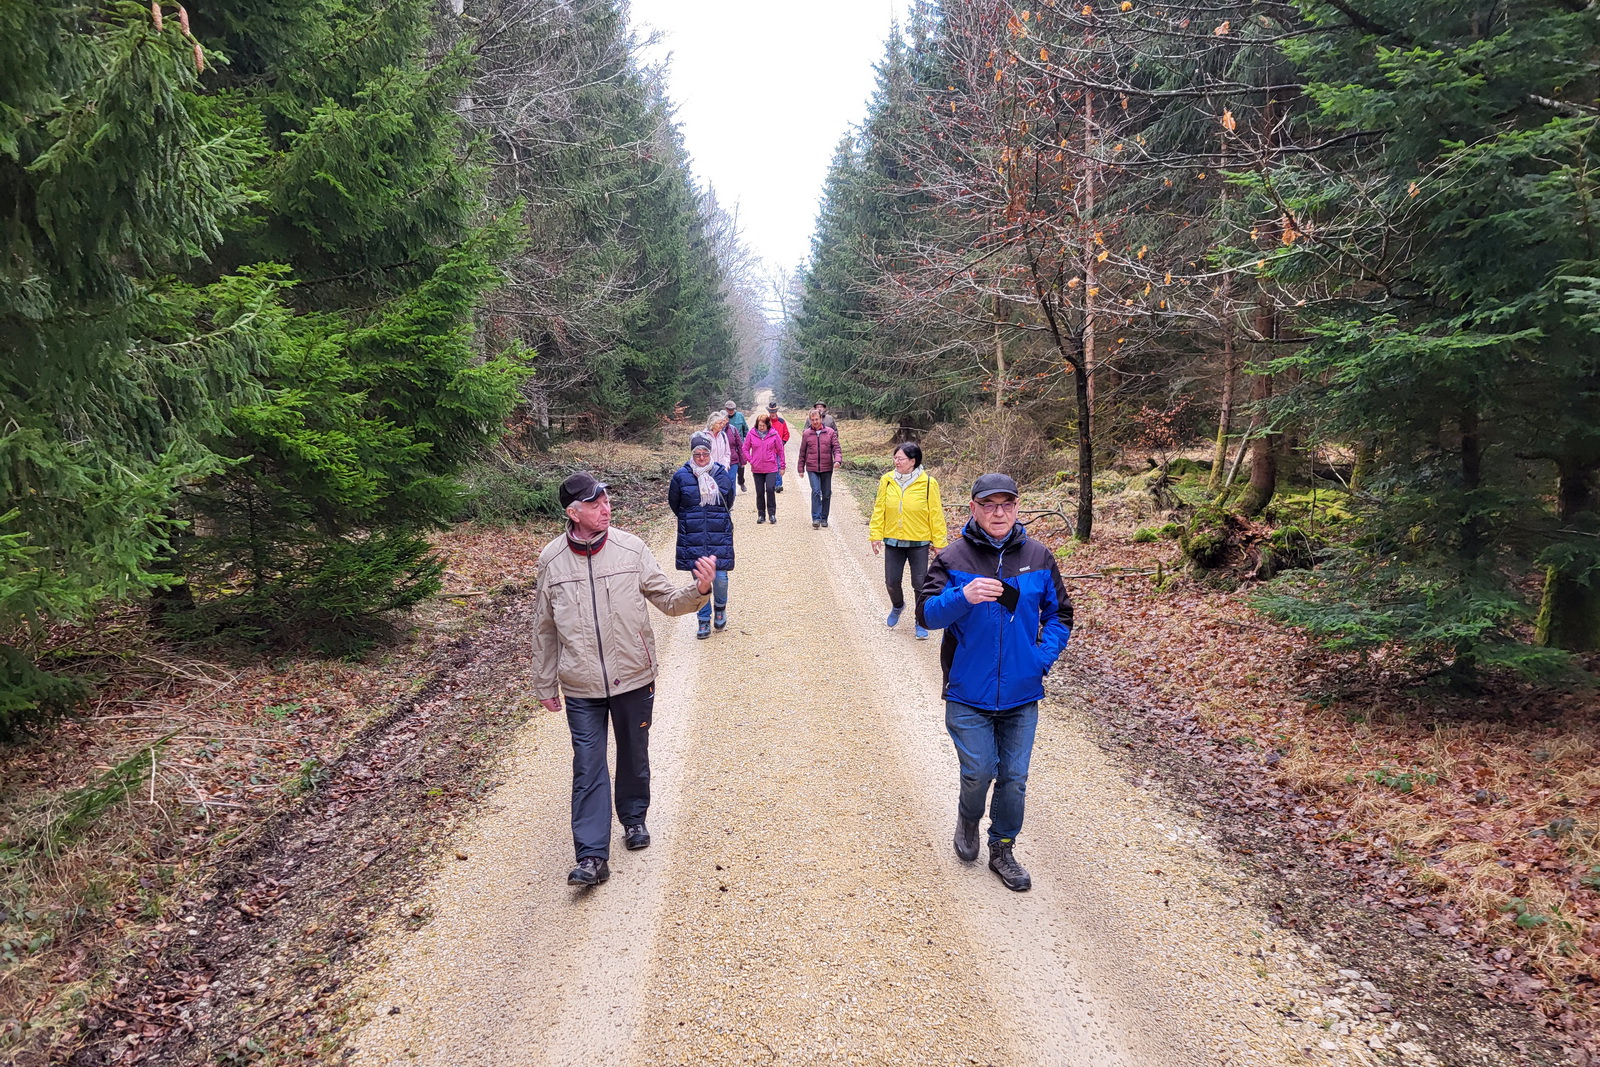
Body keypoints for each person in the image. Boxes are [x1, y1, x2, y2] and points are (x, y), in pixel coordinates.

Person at [532, 473, 716, 888]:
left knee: (634, 751)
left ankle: (634, 820)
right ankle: (592, 856)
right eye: (596, 504)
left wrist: (699, 589)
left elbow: (668, 601)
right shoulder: (552, 559)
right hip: (581, 685)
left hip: (633, 674)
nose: (606, 508)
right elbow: (544, 628)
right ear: (572, 512)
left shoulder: (631, 548)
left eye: (607, 501)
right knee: (588, 765)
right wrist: (545, 683)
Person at [918, 473, 1073, 893]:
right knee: (980, 771)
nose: (998, 512)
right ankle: (968, 819)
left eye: (1007, 504)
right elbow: (927, 615)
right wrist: (962, 597)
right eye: (989, 504)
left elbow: (1060, 615)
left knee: (1015, 778)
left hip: (1023, 693)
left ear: (1018, 507)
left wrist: (1039, 661)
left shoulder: (1039, 556)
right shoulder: (953, 558)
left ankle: (1002, 848)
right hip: (968, 692)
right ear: (973, 508)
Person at [869, 442, 947, 641]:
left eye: (900, 458)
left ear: (913, 461)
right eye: (895, 458)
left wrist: (940, 543)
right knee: (891, 581)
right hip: (893, 539)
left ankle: (920, 620)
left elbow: (936, 514)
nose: (896, 462)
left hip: (918, 540)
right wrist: (876, 534)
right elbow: (879, 509)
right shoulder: (887, 480)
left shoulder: (929, 483)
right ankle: (898, 605)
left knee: (920, 584)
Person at [669, 432, 736, 639]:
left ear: (710, 453)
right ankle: (703, 620)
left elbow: (729, 499)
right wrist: (690, 519)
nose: (700, 457)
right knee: (700, 579)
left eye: (704, 453)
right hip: (693, 534)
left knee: (721, 577)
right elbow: (675, 503)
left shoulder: (720, 474)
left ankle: (720, 607)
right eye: (696, 453)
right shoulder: (681, 476)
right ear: (692, 454)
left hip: (718, 532)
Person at [795, 410, 842, 529]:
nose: (815, 422)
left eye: (817, 419)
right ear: (810, 420)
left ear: (821, 419)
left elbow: (836, 448)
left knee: (826, 494)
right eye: (813, 420)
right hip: (812, 467)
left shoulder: (830, 432)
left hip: (827, 467)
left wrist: (837, 460)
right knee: (816, 491)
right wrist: (800, 468)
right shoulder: (806, 434)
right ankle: (816, 518)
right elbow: (802, 452)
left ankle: (824, 518)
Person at [743, 412, 786, 524]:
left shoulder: (774, 434)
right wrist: (751, 460)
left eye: (763, 425)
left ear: (768, 425)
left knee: (770, 489)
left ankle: (772, 514)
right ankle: (761, 514)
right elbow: (745, 449)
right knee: (760, 491)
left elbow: (780, 450)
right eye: (759, 425)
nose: (761, 428)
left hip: (771, 467)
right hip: (757, 468)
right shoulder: (751, 434)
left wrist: (782, 466)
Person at [706, 411, 746, 500]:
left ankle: (729, 502)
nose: (721, 425)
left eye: (722, 422)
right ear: (712, 423)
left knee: (729, 483)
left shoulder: (725, 434)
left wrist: (725, 465)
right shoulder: (705, 436)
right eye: (719, 423)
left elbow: (728, 452)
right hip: (709, 469)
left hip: (726, 466)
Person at [723, 401, 750, 491]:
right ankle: (729, 488)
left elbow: (745, 429)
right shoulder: (722, 417)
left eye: (732, 410)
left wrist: (747, 441)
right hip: (727, 447)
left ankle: (741, 482)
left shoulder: (740, 416)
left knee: (741, 466)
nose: (730, 411)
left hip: (740, 446)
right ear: (726, 409)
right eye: (729, 410)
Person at [767, 401, 790, 493]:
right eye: (771, 412)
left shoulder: (781, 421)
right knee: (770, 467)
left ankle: (778, 484)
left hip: (778, 449)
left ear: (776, 411)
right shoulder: (766, 421)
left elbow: (786, 434)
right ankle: (770, 484)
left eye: (774, 411)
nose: (772, 413)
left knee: (779, 466)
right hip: (768, 449)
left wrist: (782, 443)